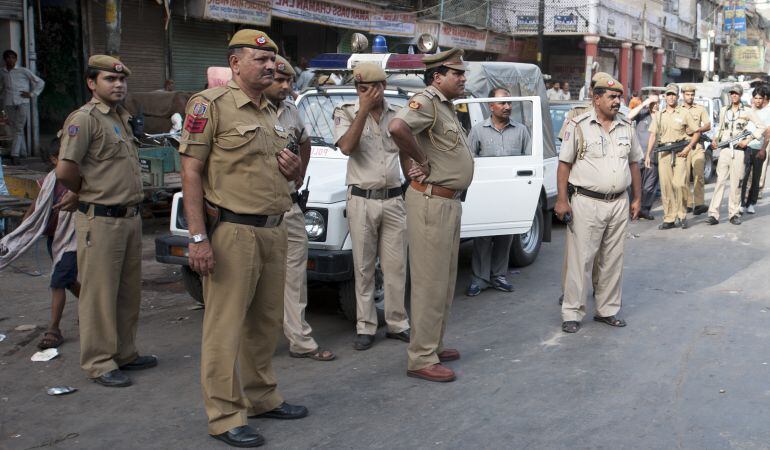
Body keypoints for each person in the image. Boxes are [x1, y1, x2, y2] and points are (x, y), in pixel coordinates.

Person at [178, 30, 306, 448]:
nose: (270, 66)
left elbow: (291, 168)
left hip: (274, 228)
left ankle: (262, 397)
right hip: (232, 231)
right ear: (235, 64)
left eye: (273, 60)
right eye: (260, 59)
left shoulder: (274, 110)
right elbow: (191, 172)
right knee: (225, 327)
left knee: (264, 323)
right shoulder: (209, 105)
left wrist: (295, 172)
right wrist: (197, 237)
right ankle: (224, 415)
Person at [56, 55, 156, 387]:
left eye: (121, 80)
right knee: (99, 295)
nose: (118, 85)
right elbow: (66, 170)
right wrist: (84, 191)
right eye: (109, 80)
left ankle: (124, 352)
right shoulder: (83, 120)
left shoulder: (120, 118)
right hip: (100, 220)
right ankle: (99, 362)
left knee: (128, 293)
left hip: (129, 218)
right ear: (91, 83)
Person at [389, 48, 474, 383]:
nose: (463, 78)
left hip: (447, 202)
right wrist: (419, 159)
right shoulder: (425, 101)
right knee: (429, 282)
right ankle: (421, 357)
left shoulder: (444, 106)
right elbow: (397, 128)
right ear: (437, 77)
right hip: (431, 201)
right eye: (457, 73)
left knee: (445, 279)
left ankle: (433, 345)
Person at [554, 75, 642, 334]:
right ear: (596, 98)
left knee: (612, 259)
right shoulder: (579, 125)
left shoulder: (626, 126)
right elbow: (564, 165)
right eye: (612, 97)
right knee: (580, 259)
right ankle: (572, 311)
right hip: (586, 202)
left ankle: (607, 310)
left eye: (619, 97)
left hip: (618, 203)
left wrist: (637, 198)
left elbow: (634, 163)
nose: (617, 102)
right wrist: (561, 200)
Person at [333, 62, 410, 351]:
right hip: (362, 200)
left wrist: (412, 181)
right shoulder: (346, 112)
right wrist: (363, 109)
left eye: (374, 88)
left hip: (392, 199)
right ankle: (365, 326)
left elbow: (404, 153)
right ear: (357, 90)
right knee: (364, 267)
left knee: (395, 267)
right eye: (362, 89)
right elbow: (347, 147)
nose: (369, 93)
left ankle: (397, 322)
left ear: (383, 87)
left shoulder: (397, 114)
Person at [266, 55, 334, 361]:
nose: (285, 86)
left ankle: (300, 339)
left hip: (290, 205)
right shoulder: (246, 111)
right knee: (255, 279)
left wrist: (299, 173)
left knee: (295, 276)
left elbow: (304, 143)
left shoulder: (292, 110)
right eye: (279, 80)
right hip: (254, 211)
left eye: (289, 81)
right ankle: (256, 342)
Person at [466, 88, 531, 297]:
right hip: (485, 194)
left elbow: (528, 160)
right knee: (482, 237)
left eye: (509, 103)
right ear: (490, 106)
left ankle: (498, 276)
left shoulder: (521, 130)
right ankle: (480, 279)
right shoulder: (477, 131)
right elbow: (469, 160)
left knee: (506, 235)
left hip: (510, 193)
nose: (507, 107)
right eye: (502, 103)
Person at [27, 137, 81, 349]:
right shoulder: (49, 181)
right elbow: (37, 204)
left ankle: (53, 329)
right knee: (66, 280)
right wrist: (25, 227)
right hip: (54, 238)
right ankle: (91, 307)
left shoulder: (78, 178)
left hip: (72, 237)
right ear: (53, 159)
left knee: (58, 280)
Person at [706, 84, 765, 226]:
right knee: (720, 181)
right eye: (732, 93)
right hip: (725, 149)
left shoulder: (747, 111)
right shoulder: (723, 110)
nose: (734, 95)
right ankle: (713, 214)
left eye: (736, 93)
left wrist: (748, 140)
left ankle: (734, 213)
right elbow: (719, 129)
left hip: (739, 151)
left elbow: (761, 126)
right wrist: (715, 140)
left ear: (740, 95)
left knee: (736, 184)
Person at [644, 84, 700, 230]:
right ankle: (669, 218)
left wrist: (688, 148)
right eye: (669, 94)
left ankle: (682, 215)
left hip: (681, 151)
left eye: (674, 95)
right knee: (666, 186)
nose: (671, 97)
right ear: (665, 96)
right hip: (664, 152)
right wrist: (647, 155)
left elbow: (697, 132)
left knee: (679, 184)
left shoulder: (684, 113)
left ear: (677, 96)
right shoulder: (659, 115)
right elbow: (653, 135)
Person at [0, 49, 45, 165]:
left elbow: (40, 82)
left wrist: (31, 94)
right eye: (8, 58)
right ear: (4, 59)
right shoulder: (3, 72)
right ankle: (23, 152)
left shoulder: (23, 71)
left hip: (22, 102)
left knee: (19, 127)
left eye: (12, 57)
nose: (10, 60)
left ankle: (15, 155)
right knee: (15, 128)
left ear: (16, 59)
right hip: (9, 102)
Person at [680, 84, 711, 216]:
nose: (690, 97)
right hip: (682, 145)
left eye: (692, 94)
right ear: (683, 95)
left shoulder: (700, 109)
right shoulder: (677, 109)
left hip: (697, 145)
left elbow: (708, 125)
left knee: (699, 175)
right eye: (687, 94)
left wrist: (697, 130)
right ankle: (687, 204)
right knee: (684, 176)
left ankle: (698, 204)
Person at [628, 94, 659, 220]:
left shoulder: (661, 116)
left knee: (649, 186)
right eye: (653, 102)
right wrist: (644, 103)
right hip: (638, 155)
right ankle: (634, 209)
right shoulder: (642, 113)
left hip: (653, 156)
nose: (655, 104)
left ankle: (645, 210)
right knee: (635, 184)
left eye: (657, 102)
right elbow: (628, 116)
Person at [740, 85, 770, 214]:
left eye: (760, 98)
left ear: (764, 99)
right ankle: (741, 203)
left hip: (759, 148)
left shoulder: (767, 112)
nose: (757, 100)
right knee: (744, 177)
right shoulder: (747, 111)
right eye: (755, 98)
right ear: (752, 99)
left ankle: (751, 203)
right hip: (746, 147)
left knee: (756, 178)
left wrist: (763, 149)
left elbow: (768, 133)